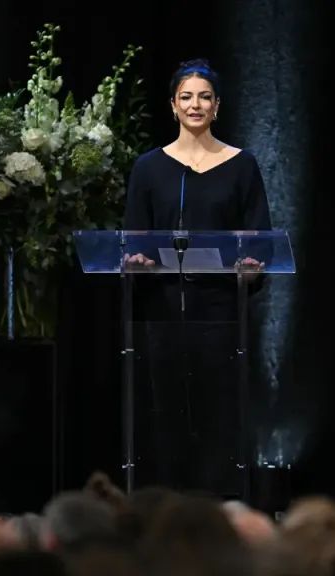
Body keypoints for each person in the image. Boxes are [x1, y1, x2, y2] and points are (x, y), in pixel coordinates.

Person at [123, 59, 272, 496]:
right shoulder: (149, 168)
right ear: (172, 105)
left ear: (217, 105)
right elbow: (135, 237)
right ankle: (168, 511)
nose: (195, 105)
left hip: (220, 313)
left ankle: (223, 508)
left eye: (204, 97)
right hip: (163, 312)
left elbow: (260, 239)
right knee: (167, 416)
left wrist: (251, 268)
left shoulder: (241, 165)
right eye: (186, 97)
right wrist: (136, 262)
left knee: (220, 417)